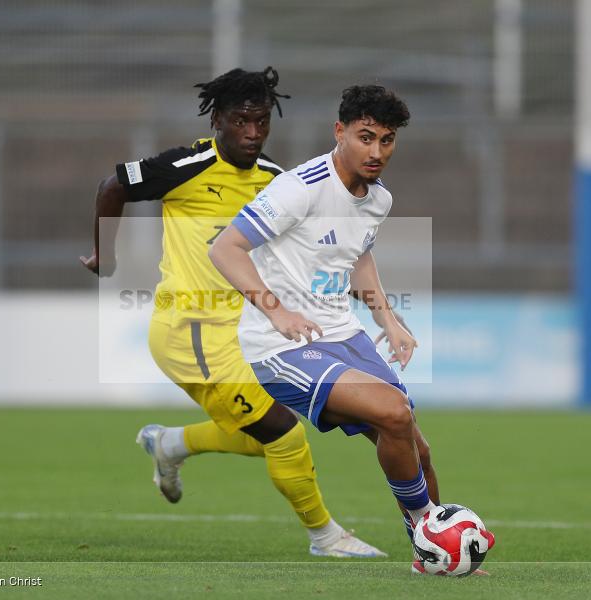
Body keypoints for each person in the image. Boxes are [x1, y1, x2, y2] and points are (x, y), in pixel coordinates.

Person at [81, 67, 384, 558]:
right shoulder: (187, 165)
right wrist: (105, 256)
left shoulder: (273, 180)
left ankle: (170, 445)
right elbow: (111, 186)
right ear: (218, 119)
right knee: (283, 432)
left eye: (261, 122)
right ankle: (326, 537)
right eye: (241, 121)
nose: (252, 133)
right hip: (190, 330)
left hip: (246, 332)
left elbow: (306, 248)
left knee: (265, 433)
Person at [209, 84, 458, 566]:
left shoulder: (378, 199)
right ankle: (433, 531)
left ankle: (430, 553)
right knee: (395, 413)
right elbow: (224, 248)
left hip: (343, 335)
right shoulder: (298, 188)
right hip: (280, 349)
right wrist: (274, 309)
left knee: (416, 448)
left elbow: (357, 255)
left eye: (387, 141)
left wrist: (388, 319)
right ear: (340, 132)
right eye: (366, 137)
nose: (377, 151)